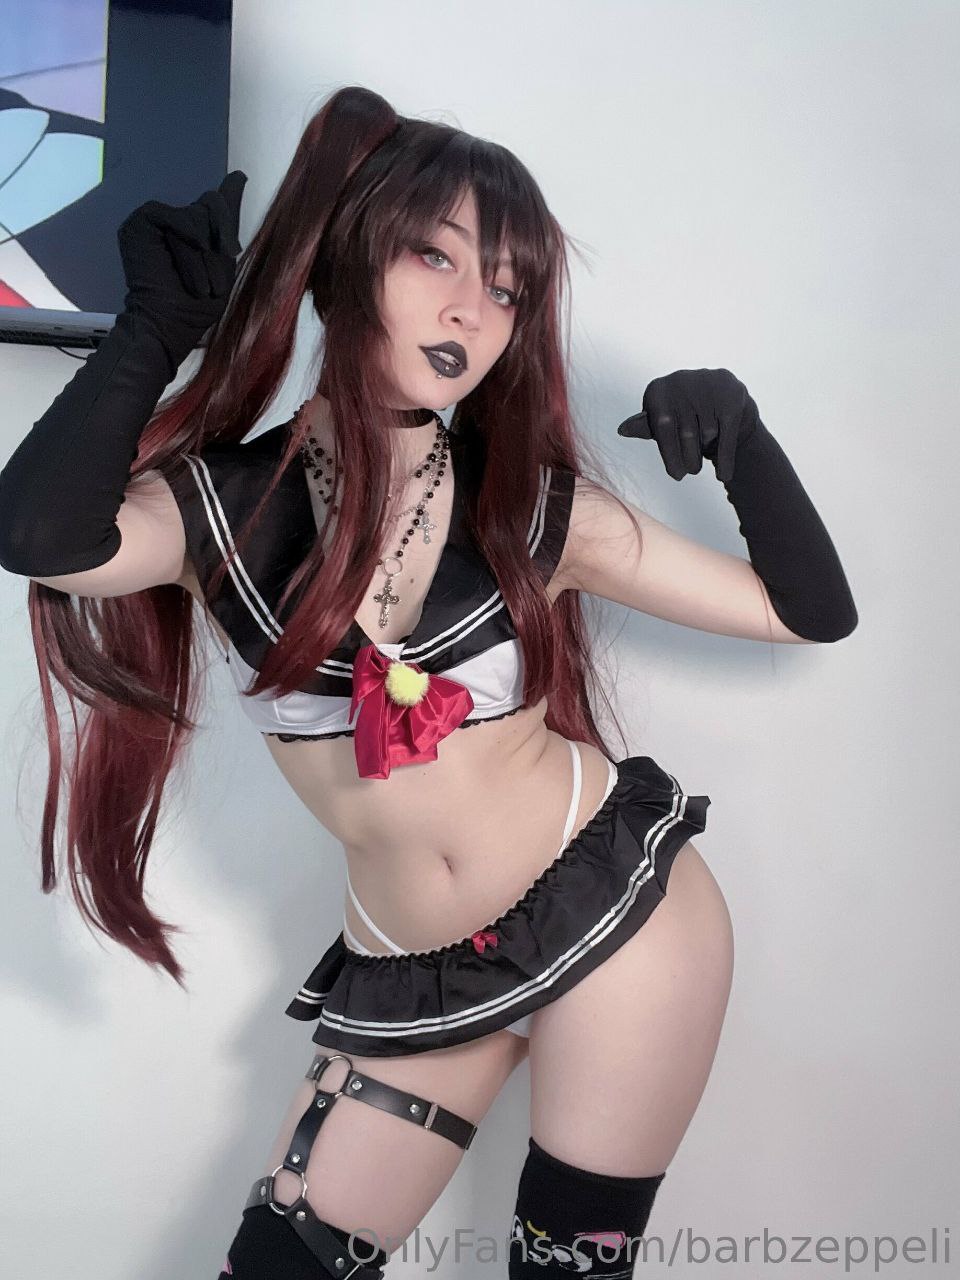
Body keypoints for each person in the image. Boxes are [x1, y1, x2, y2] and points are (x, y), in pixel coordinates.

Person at [0, 85, 857, 1279]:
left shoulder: (533, 507)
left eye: (508, 287)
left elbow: (807, 612)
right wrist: (151, 331)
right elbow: (40, 534)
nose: (474, 309)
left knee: (564, 1270)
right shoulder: (215, 509)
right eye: (436, 256)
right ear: (349, 259)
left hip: (619, 920)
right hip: (417, 969)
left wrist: (743, 439)